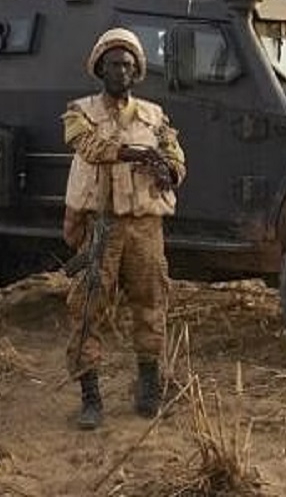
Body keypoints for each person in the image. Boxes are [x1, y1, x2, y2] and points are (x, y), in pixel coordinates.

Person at [62, 28, 186, 429]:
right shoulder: (79, 112)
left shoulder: (155, 116)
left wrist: (168, 171)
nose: (121, 71)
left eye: (129, 66)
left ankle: (148, 388)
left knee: (151, 306)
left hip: (146, 227)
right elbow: (90, 148)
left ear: (137, 73)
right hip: (101, 225)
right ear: (100, 68)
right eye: (114, 64)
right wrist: (135, 152)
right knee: (87, 310)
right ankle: (90, 398)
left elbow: (176, 159)